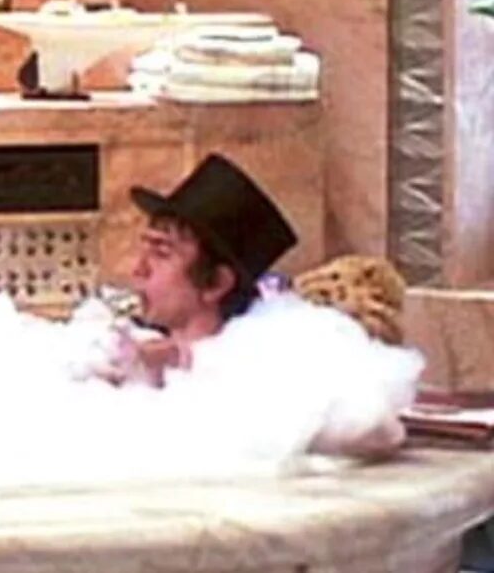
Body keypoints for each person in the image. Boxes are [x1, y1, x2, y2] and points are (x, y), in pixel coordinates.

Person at [105, 152, 412, 458]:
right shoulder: (143, 365)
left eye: (161, 254)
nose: (139, 269)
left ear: (216, 284)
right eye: (145, 249)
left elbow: (368, 425)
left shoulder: (259, 383)